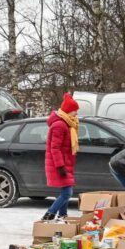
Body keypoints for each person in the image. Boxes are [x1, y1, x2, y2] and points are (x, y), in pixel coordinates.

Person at [42, 92, 79, 220]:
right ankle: (49, 214)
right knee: (67, 192)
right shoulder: (59, 125)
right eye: (74, 111)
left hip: (65, 163)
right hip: (59, 164)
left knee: (66, 191)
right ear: (68, 111)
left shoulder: (67, 124)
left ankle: (62, 216)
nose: (76, 113)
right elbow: (55, 148)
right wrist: (60, 166)